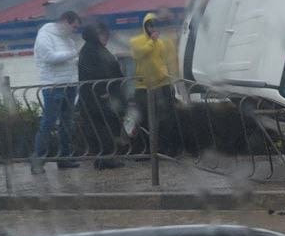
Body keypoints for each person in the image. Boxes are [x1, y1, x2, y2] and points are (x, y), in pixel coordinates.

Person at [31, 11, 82, 174]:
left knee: (67, 123)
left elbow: (73, 62)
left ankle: (64, 158)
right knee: (48, 123)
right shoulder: (45, 35)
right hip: (53, 86)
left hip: (70, 84)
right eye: (73, 26)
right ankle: (38, 161)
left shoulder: (68, 39)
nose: (74, 30)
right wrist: (73, 54)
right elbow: (49, 57)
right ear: (65, 22)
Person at [130, 13, 180, 157]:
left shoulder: (164, 42)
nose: (152, 28)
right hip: (143, 87)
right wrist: (151, 42)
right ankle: (145, 150)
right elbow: (138, 54)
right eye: (149, 25)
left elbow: (168, 61)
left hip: (162, 84)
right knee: (144, 119)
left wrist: (172, 78)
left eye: (155, 25)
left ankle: (166, 149)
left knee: (165, 119)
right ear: (145, 26)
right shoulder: (137, 41)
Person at [78, 23, 126, 169]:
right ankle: (106, 158)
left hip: (99, 97)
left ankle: (104, 158)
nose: (105, 37)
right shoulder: (90, 51)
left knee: (103, 128)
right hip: (97, 98)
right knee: (103, 128)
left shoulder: (94, 49)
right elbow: (94, 74)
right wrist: (103, 91)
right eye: (102, 34)